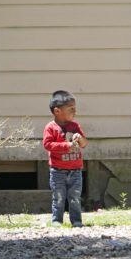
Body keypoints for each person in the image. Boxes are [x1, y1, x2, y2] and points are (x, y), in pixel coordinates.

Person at [43, 90, 88, 228]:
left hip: (75, 170)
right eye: (71, 109)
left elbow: (84, 144)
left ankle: (76, 221)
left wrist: (80, 139)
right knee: (59, 197)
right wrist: (66, 145)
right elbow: (47, 144)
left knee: (75, 197)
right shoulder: (51, 127)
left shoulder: (75, 126)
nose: (75, 111)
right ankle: (57, 220)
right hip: (57, 171)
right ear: (57, 111)